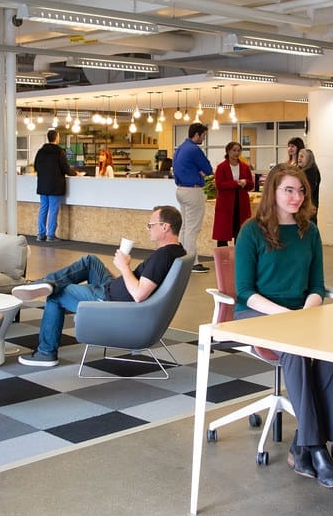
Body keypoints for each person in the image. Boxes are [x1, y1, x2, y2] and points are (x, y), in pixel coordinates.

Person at [234, 163, 333, 488]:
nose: (297, 197)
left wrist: (307, 311)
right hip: (258, 315)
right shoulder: (252, 231)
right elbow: (244, 291)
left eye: (301, 190)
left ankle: (305, 442)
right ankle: (315, 447)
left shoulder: (310, 230)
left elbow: (317, 286)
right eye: (289, 190)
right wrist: (284, 316)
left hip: (299, 314)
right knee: (295, 350)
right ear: (273, 193)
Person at [13, 205, 186, 367]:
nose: (147, 228)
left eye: (151, 225)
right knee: (90, 261)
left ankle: (46, 353)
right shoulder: (177, 251)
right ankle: (45, 282)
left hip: (111, 301)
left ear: (165, 227)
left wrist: (124, 266)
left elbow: (139, 294)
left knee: (57, 295)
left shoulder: (162, 257)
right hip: (114, 290)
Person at [173, 122, 213, 274]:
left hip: (181, 190)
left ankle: (182, 259)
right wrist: (201, 172)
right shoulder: (194, 150)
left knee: (184, 227)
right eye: (203, 135)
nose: (203, 138)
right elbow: (208, 169)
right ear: (197, 135)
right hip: (193, 191)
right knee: (192, 228)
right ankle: (192, 262)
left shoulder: (180, 149)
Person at [34, 129, 75, 242]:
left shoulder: (41, 151)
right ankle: (50, 235)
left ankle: (41, 234)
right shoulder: (59, 151)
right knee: (53, 210)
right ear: (56, 137)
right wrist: (76, 173)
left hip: (42, 185)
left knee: (43, 209)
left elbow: (36, 167)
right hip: (55, 185)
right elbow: (65, 168)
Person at [211, 142, 254, 247]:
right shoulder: (221, 167)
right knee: (223, 234)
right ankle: (222, 259)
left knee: (240, 232)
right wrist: (236, 183)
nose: (236, 153)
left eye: (238, 150)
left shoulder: (244, 167)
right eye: (234, 150)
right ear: (228, 151)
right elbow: (219, 185)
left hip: (241, 203)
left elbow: (251, 184)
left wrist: (246, 183)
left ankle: (239, 257)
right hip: (225, 204)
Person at [298, 148, 321, 225]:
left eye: (302, 156)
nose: (299, 159)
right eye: (298, 156)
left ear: (309, 159)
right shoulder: (303, 171)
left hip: (308, 209)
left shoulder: (311, 172)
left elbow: (308, 191)